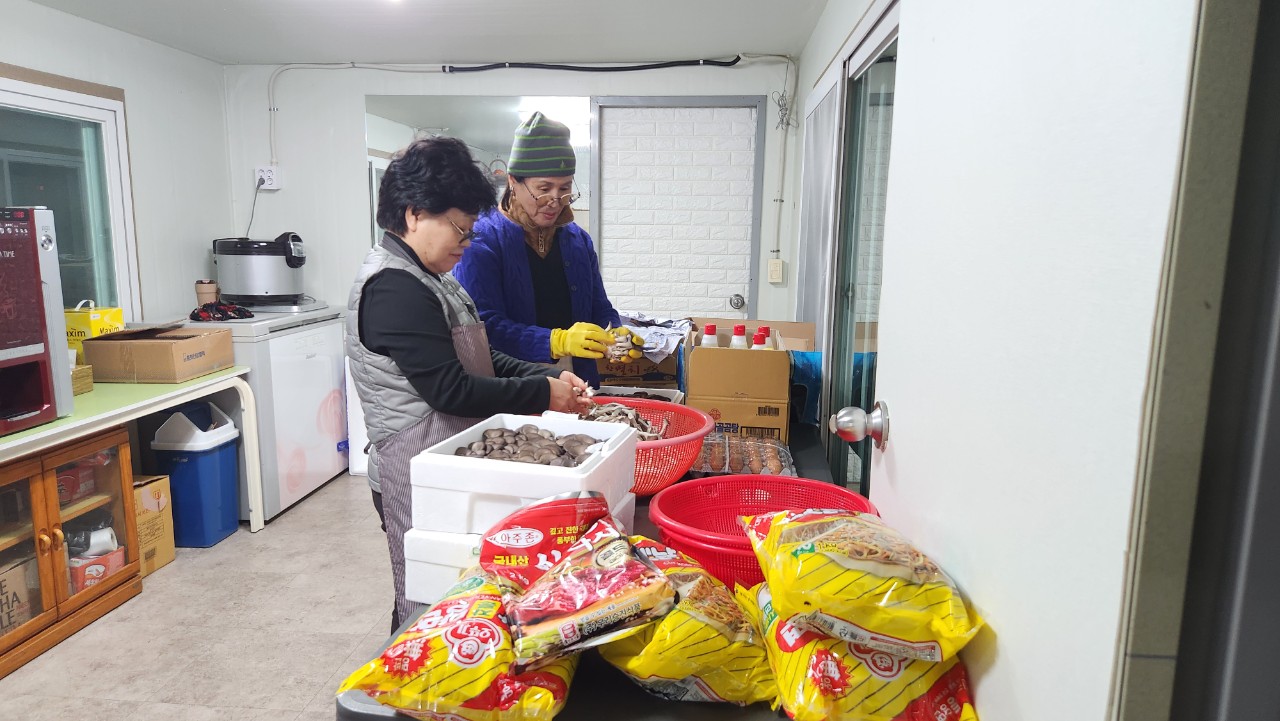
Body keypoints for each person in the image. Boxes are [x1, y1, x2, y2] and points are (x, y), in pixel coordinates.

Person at [346, 136, 593, 628]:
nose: (466, 242)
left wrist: (545, 373)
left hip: (447, 459)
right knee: (426, 603)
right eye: (460, 229)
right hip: (413, 470)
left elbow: (479, 355)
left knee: (463, 598)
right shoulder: (393, 286)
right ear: (415, 214)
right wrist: (543, 394)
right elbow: (451, 390)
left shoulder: (432, 276)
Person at [454, 111, 638, 388]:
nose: (555, 201)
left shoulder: (577, 240)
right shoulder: (482, 241)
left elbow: (598, 306)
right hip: (514, 386)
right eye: (544, 188)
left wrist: (615, 332)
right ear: (514, 182)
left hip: (579, 380)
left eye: (565, 188)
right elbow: (483, 327)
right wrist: (555, 341)